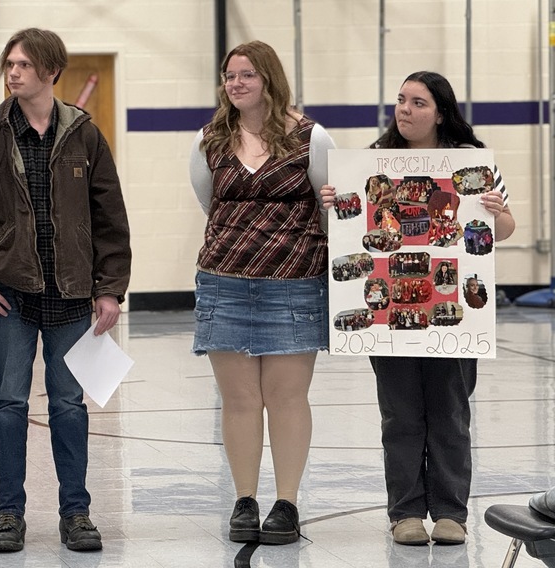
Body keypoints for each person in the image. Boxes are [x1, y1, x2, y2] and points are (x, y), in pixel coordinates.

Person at [0, 27, 131, 554]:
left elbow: (110, 219)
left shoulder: (85, 135)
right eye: (9, 64)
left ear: (50, 71)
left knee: (70, 405)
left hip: (71, 298)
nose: (13, 72)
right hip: (11, 297)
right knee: (9, 404)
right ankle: (9, 514)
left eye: (23, 64)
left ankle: (76, 513)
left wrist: (109, 289)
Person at [321, 71, 515, 548]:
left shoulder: (471, 163)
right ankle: (405, 512)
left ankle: (451, 512)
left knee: (450, 413)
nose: (404, 110)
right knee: (400, 415)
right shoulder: (370, 162)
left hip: (452, 317)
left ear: (441, 112)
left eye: (417, 102)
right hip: (389, 318)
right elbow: (346, 235)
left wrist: (495, 211)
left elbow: (505, 228)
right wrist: (334, 203)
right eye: (401, 101)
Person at [188, 40, 335, 545]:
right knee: (240, 399)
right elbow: (210, 203)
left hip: (293, 286)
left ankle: (287, 503)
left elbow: (328, 207)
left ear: (270, 79)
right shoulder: (210, 139)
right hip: (224, 283)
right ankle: (245, 499)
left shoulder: (311, 138)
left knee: (287, 397)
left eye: (247, 74)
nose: (237, 83)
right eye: (230, 76)